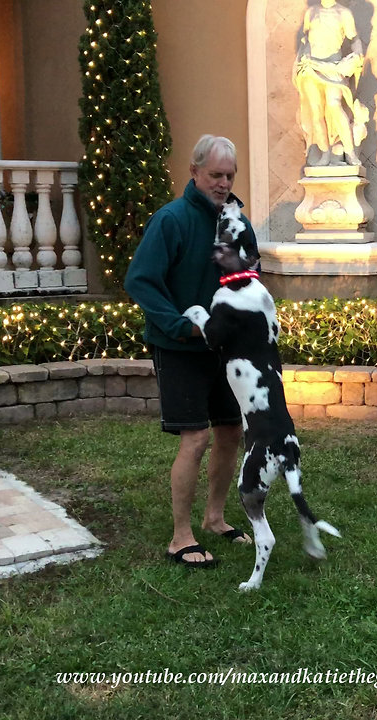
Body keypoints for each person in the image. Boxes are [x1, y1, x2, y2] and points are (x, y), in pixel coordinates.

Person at [125, 135, 255, 568]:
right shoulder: (171, 220)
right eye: (215, 175)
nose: (223, 183)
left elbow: (248, 276)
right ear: (195, 172)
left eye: (230, 176)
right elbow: (141, 280)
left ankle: (215, 518)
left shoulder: (237, 223)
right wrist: (181, 326)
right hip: (179, 347)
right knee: (195, 436)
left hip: (224, 349)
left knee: (230, 432)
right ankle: (180, 537)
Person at [294, 0, 369, 167]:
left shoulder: (344, 13)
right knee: (317, 112)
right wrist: (304, 56)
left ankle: (350, 153)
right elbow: (306, 39)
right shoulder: (311, 12)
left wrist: (357, 55)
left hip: (334, 67)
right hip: (311, 67)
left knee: (334, 105)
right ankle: (325, 155)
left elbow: (354, 39)